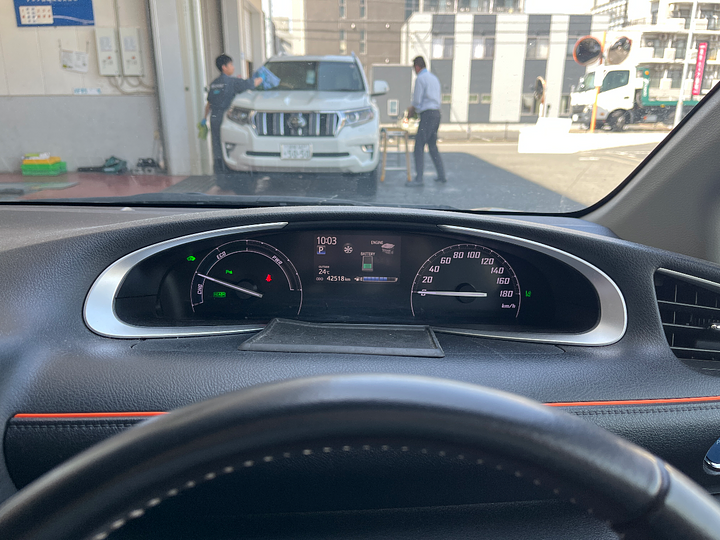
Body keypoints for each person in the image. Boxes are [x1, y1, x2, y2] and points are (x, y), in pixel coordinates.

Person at [202, 54, 262, 174]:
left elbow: (209, 103)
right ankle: (230, 172)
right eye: (231, 65)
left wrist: (204, 118)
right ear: (224, 67)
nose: (233, 67)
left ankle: (219, 173)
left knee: (217, 147)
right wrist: (262, 78)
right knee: (229, 146)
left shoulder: (214, 83)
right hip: (226, 119)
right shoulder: (232, 82)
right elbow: (251, 83)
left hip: (214, 119)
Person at [406, 56, 446, 186]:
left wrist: (411, 110)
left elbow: (417, 101)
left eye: (414, 68)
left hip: (427, 115)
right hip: (436, 114)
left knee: (419, 146)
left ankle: (419, 179)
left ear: (417, 67)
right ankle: (441, 175)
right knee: (432, 146)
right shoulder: (434, 78)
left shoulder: (420, 79)